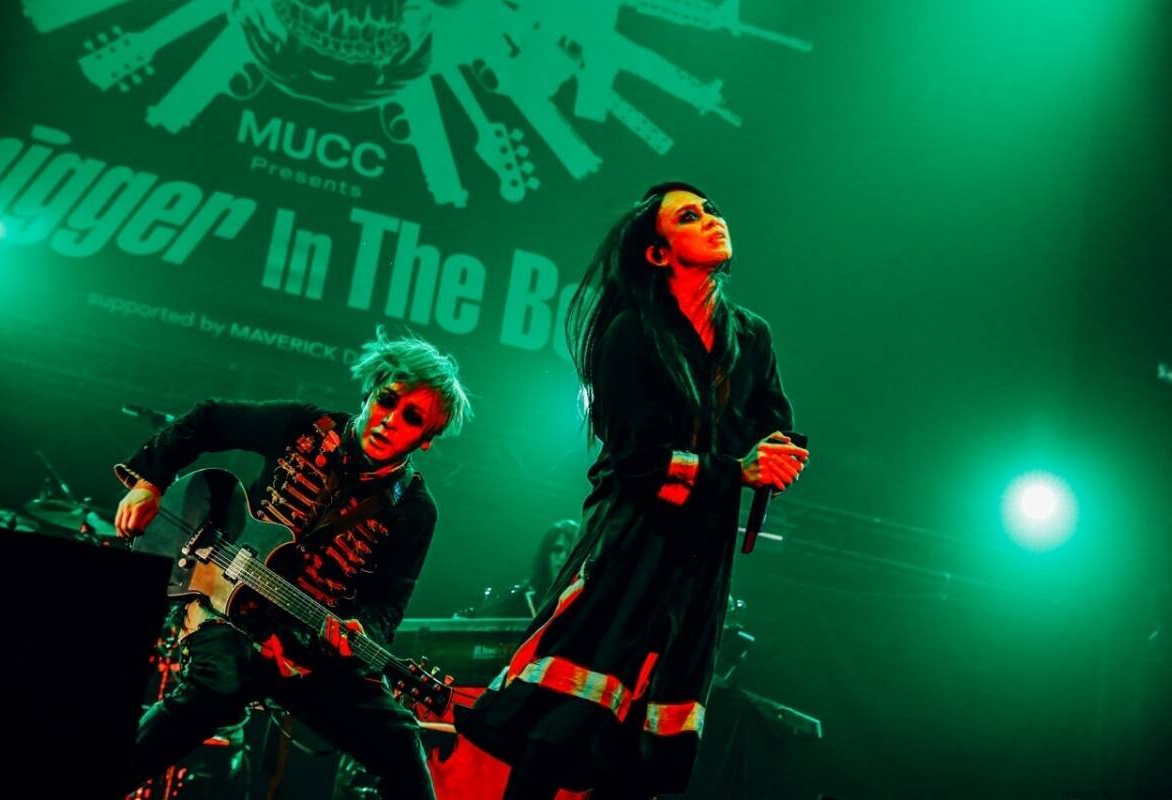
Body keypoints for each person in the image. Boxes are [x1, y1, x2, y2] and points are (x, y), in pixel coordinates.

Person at [456, 182, 809, 799]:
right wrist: (738, 470)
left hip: (700, 558)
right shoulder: (632, 334)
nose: (712, 218)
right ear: (657, 252)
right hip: (630, 543)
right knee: (567, 716)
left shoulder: (751, 336)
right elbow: (640, 463)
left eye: (712, 209)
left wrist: (780, 456)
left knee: (644, 746)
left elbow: (772, 422)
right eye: (690, 216)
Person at [113, 329, 472, 800]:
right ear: (370, 392)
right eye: (387, 400)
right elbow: (211, 417)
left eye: (411, 417)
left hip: (312, 646)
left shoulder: (416, 510)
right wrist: (150, 481)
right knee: (217, 685)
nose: (389, 420)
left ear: (427, 438)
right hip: (226, 603)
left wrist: (361, 630)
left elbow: (387, 606)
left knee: (401, 744)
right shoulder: (304, 425)